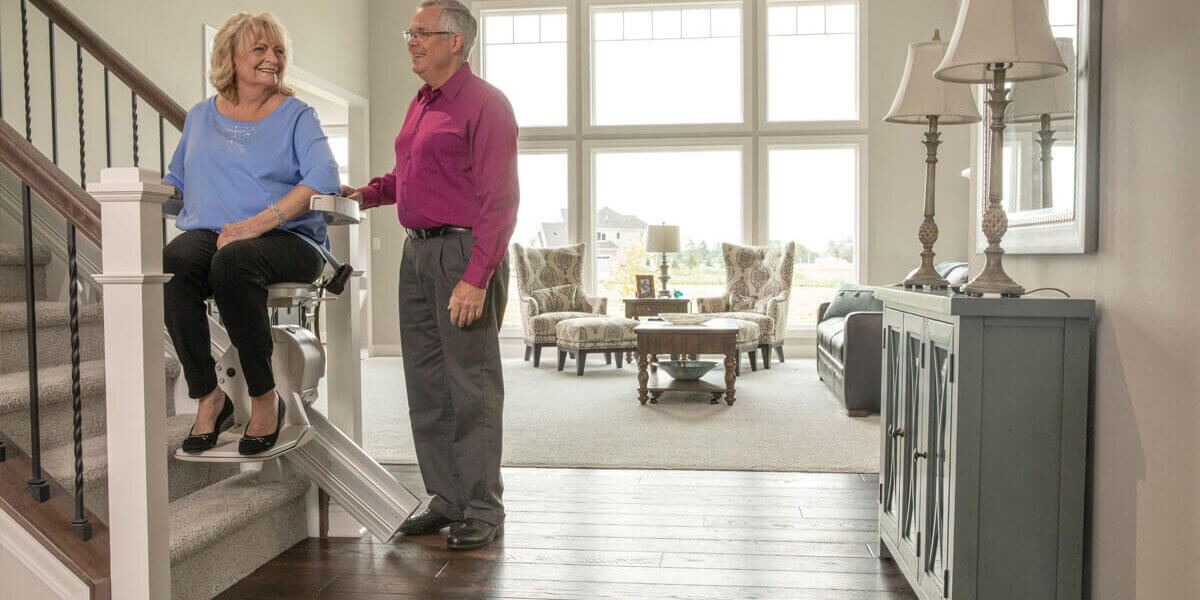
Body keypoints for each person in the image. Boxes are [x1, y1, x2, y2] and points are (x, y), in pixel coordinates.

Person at [343, 0, 518, 550]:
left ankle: (484, 507)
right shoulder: (422, 103)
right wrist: (366, 194)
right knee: (425, 383)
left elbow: (500, 201)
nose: (411, 41)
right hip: (416, 255)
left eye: (422, 33)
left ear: (455, 41)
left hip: (463, 253)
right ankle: (447, 499)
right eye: (409, 32)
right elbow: (410, 174)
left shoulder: (485, 105)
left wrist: (476, 275)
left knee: (472, 385)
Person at [163, 12, 341, 456]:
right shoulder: (200, 117)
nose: (272, 59)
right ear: (231, 57)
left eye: (278, 50)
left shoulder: (297, 115)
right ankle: (209, 396)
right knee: (177, 261)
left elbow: (324, 177)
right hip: (219, 234)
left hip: (291, 239)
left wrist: (256, 223)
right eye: (259, 49)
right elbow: (177, 182)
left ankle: (264, 397)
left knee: (234, 260)